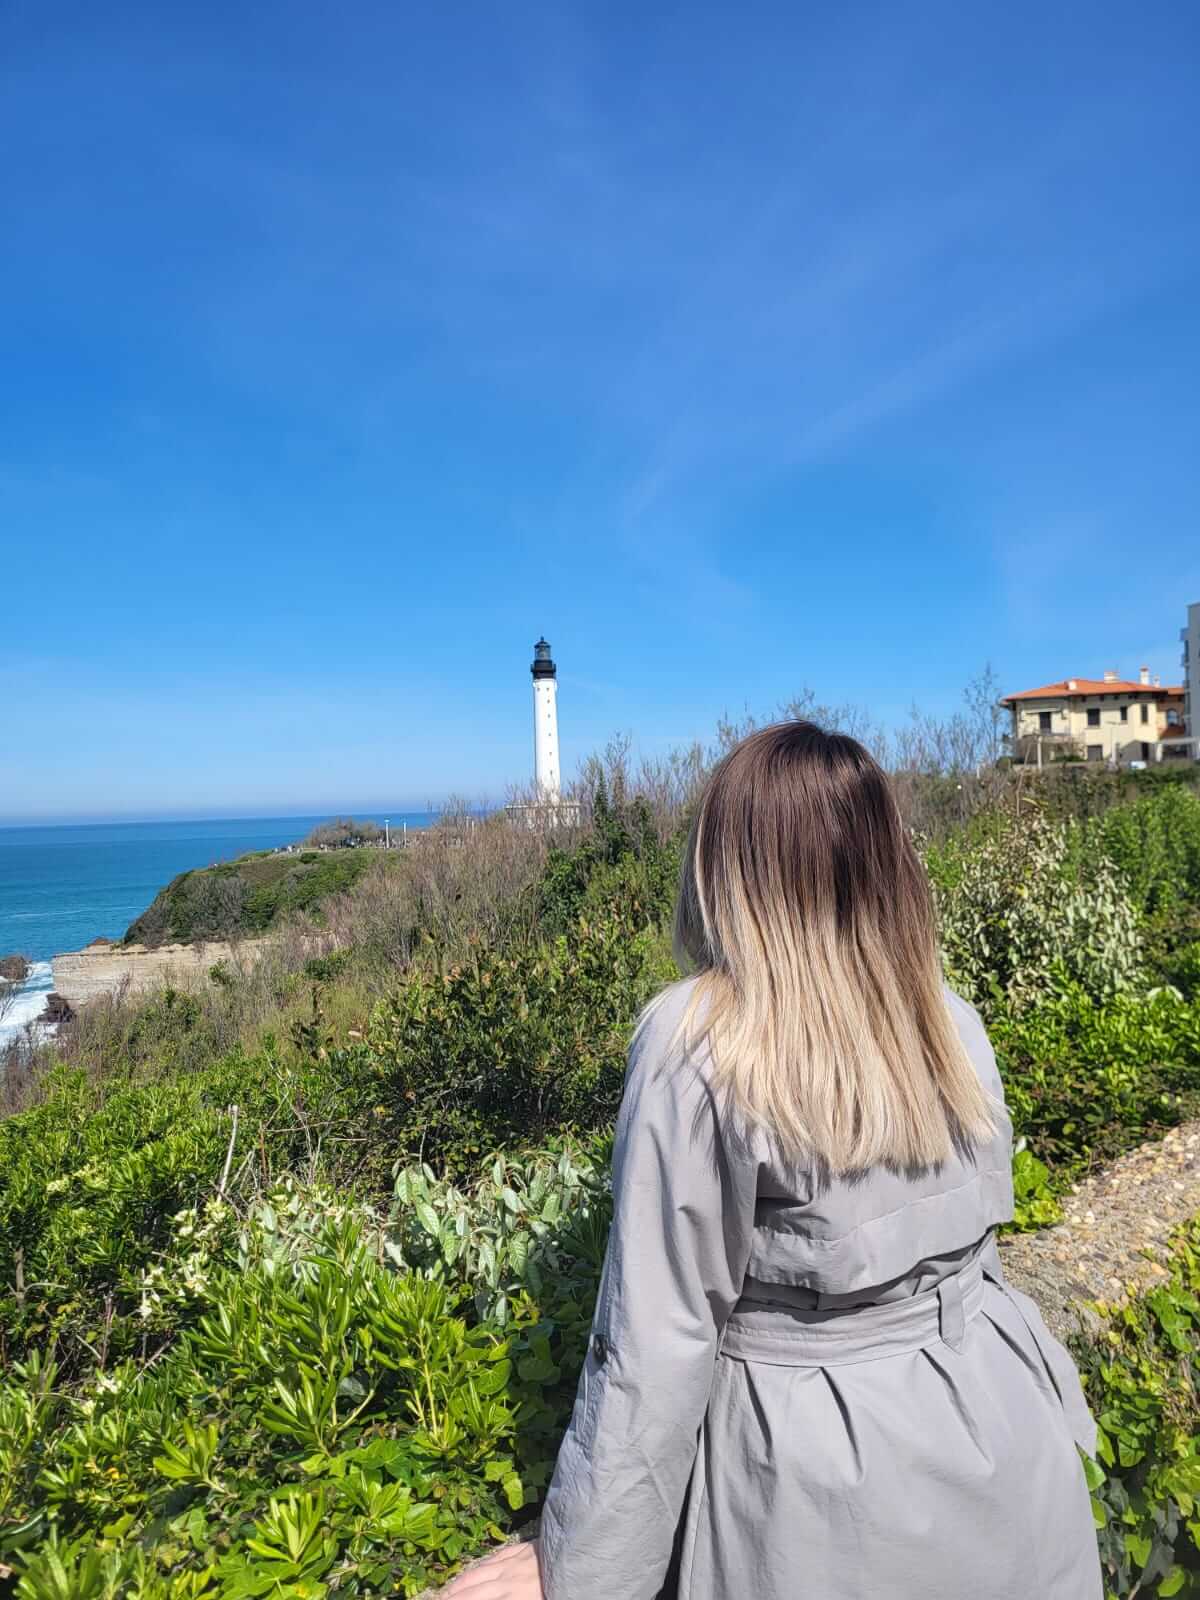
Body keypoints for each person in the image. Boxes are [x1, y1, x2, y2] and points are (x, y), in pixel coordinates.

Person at [445, 722, 1102, 1600]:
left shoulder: (703, 1042)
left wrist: (577, 1573)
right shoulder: (951, 1019)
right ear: (884, 861)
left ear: (727, 865)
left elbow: (657, 1349)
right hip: (1002, 1433)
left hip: (826, 1490)